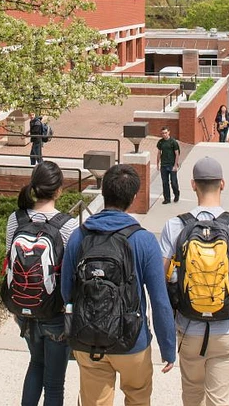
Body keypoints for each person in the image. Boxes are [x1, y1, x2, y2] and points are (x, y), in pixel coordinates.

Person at [62, 165, 176, 406]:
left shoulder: (79, 236)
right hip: (132, 340)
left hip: (87, 338)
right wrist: (168, 347)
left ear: (104, 193)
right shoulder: (143, 240)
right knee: (138, 397)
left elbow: (66, 291)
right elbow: (159, 300)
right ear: (134, 198)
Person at [159, 158, 229, 406]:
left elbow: (163, 283)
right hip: (228, 330)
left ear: (193, 185)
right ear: (222, 184)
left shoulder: (174, 226)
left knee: (192, 397)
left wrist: (170, 331)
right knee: (219, 400)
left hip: (189, 328)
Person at [4, 162, 78, 406]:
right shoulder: (68, 226)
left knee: (35, 364)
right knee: (54, 384)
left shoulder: (15, 219)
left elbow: (9, 264)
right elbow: (71, 275)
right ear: (59, 190)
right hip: (55, 314)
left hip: (24, 309)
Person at [157, 127, 182, 204]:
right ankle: (167, 198)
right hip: (163, 165)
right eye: (163, 133)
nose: (164, 134)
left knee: (173, 182)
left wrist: (175, 165)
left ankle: (176, 194)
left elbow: (177, 154)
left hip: (172, 165)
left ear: (169, 132)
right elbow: (158, 153)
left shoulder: (173, 142)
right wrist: (157, 164)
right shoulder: (160, 142)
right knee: (165, 183)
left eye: (165, 133)